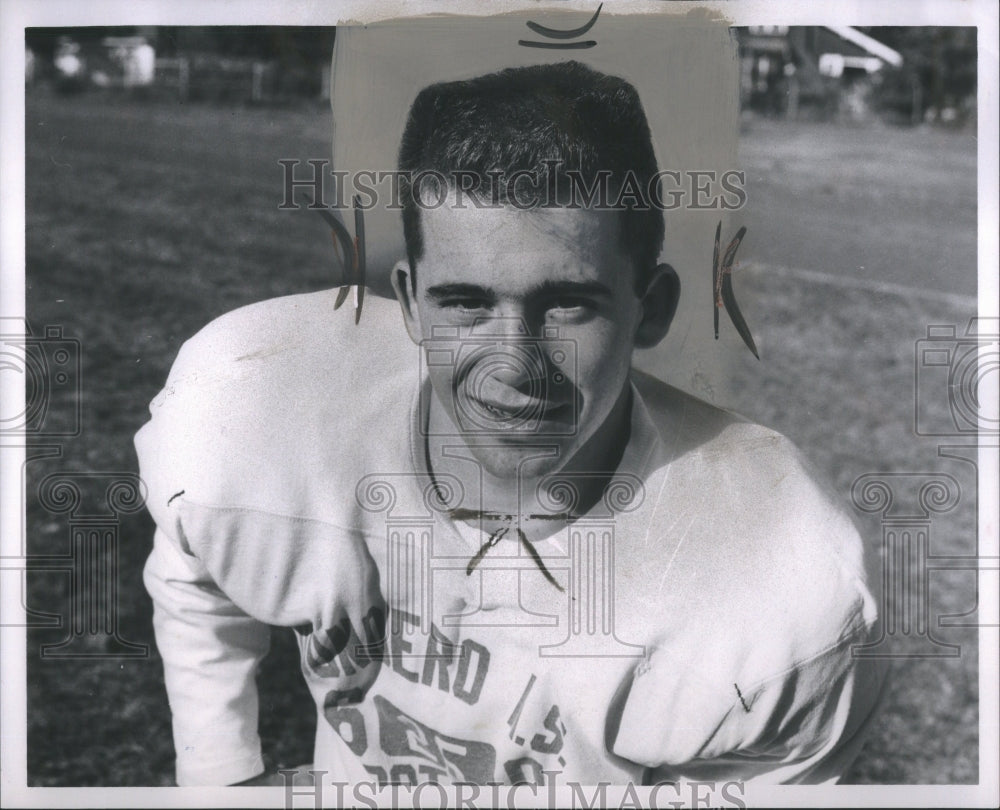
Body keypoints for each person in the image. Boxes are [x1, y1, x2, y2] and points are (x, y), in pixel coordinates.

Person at [137, 61, 886, 789]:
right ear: (409, 303)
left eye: (568, 304)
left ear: (649, 308)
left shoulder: (785, 588)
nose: (515, 366)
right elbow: (192, 561)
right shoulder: (248, 417)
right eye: (464, 301)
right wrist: (222, 771)